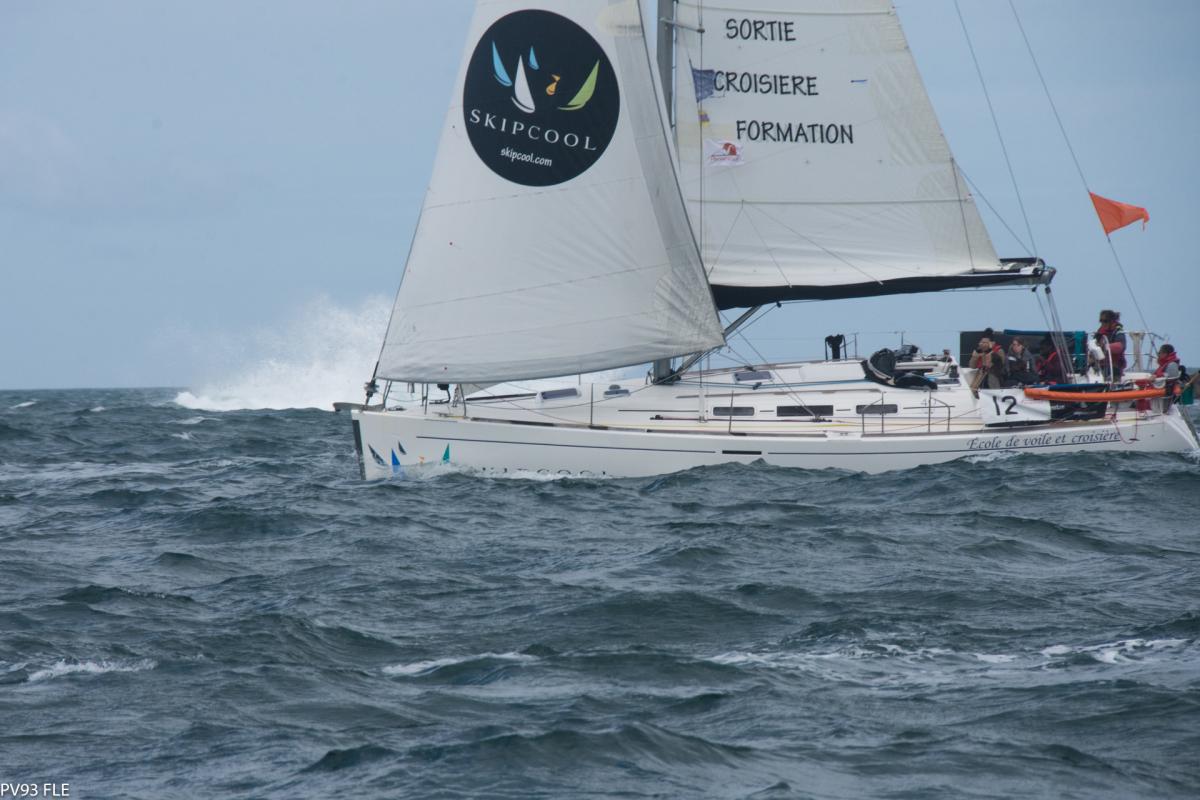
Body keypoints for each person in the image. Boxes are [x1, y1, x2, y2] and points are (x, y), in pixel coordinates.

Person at [1094, 309, 1127, 380]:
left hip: (1114, 366)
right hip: (1101, 365)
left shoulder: (1118, 331)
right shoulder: (1100, 332)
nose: (1103, 323)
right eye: (1101, 321)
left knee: (1111, 372)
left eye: (1105, 321)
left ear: (1112, 321)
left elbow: (1121, 346)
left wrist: (1106, 347)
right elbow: (1094, 344)